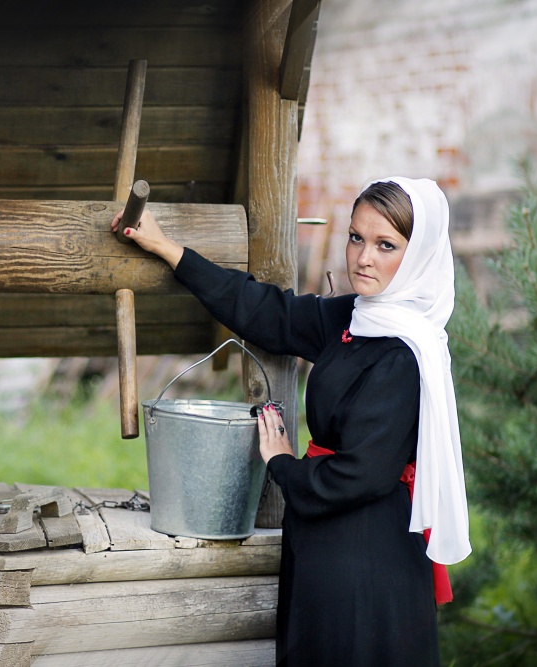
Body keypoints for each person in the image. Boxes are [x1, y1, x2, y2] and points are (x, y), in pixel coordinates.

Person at [112, 177, 471, 666]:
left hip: (365, 568)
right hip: (331, 550)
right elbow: (269, 312)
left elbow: (360, 475)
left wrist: (283, 464)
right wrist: (168, 249)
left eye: (386, 245)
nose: (363, 257)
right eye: (356, 237)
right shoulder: (358, 317)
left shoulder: (404, 356)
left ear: (420, 255)